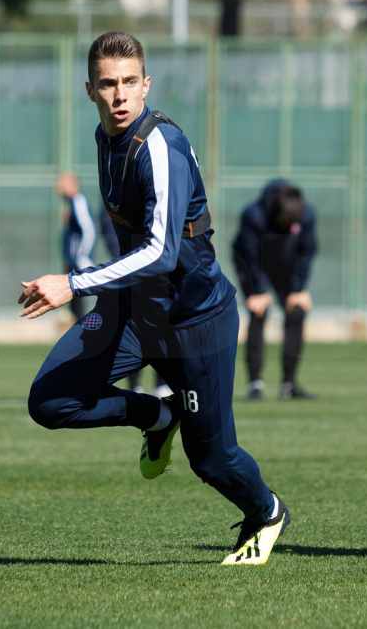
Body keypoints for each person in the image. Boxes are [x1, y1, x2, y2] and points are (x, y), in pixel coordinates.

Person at [19, 31, 289, 565]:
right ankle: (157, 416)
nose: (119, 95)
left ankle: (266, 512)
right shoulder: (105, 138)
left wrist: (72, 282)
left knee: (211, 460)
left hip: (194, 321)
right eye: (107, 84)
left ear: (147, 85)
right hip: (133, 313)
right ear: (89, 90)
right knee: (50, 402)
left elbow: (161, 254)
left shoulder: (160, 147)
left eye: (129, 83)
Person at [232, 179, 317, 400]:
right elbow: (249, 257)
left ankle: (289, 385)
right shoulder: (253, 216)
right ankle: (255, 384)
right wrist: (258, 291)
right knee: (259, 312)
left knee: (297, 311)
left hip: (286, 265)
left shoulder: (306, 215)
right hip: (254, 264)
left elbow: (306, 253)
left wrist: (298, 289)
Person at [98, 206, 173, 398]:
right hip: (130, 269)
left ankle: (162, 382)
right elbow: (109, 228)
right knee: (133, 325)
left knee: (163, 324)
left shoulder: (162, 193)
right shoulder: (115, 195)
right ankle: (134, 384)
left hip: (160, 269)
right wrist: (126, 260)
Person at [55, 172, 96, 319]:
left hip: (80, 263)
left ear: (72, 184)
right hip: (73, 263)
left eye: (62, 182)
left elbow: (89, 230)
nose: (58, 186)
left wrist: (82, 256)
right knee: (75, 305)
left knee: (84, 305)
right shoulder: (71, 203)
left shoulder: (78, 201)